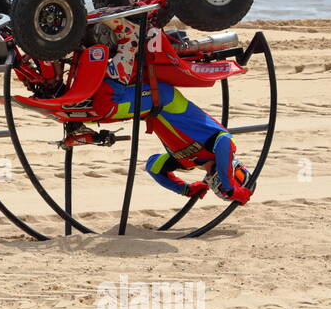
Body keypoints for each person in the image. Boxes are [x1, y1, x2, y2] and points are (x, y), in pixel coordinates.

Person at [97, 14, 252, 204]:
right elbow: (225, 144)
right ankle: (129, 35)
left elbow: (153, 166)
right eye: (237, 175)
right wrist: (229, 188)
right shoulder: (220, 145)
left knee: (89, 107)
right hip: (162, 100)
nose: (233, 174)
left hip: (152, 108)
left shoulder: (187, 163)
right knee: (105, 106)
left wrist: (185, 189)